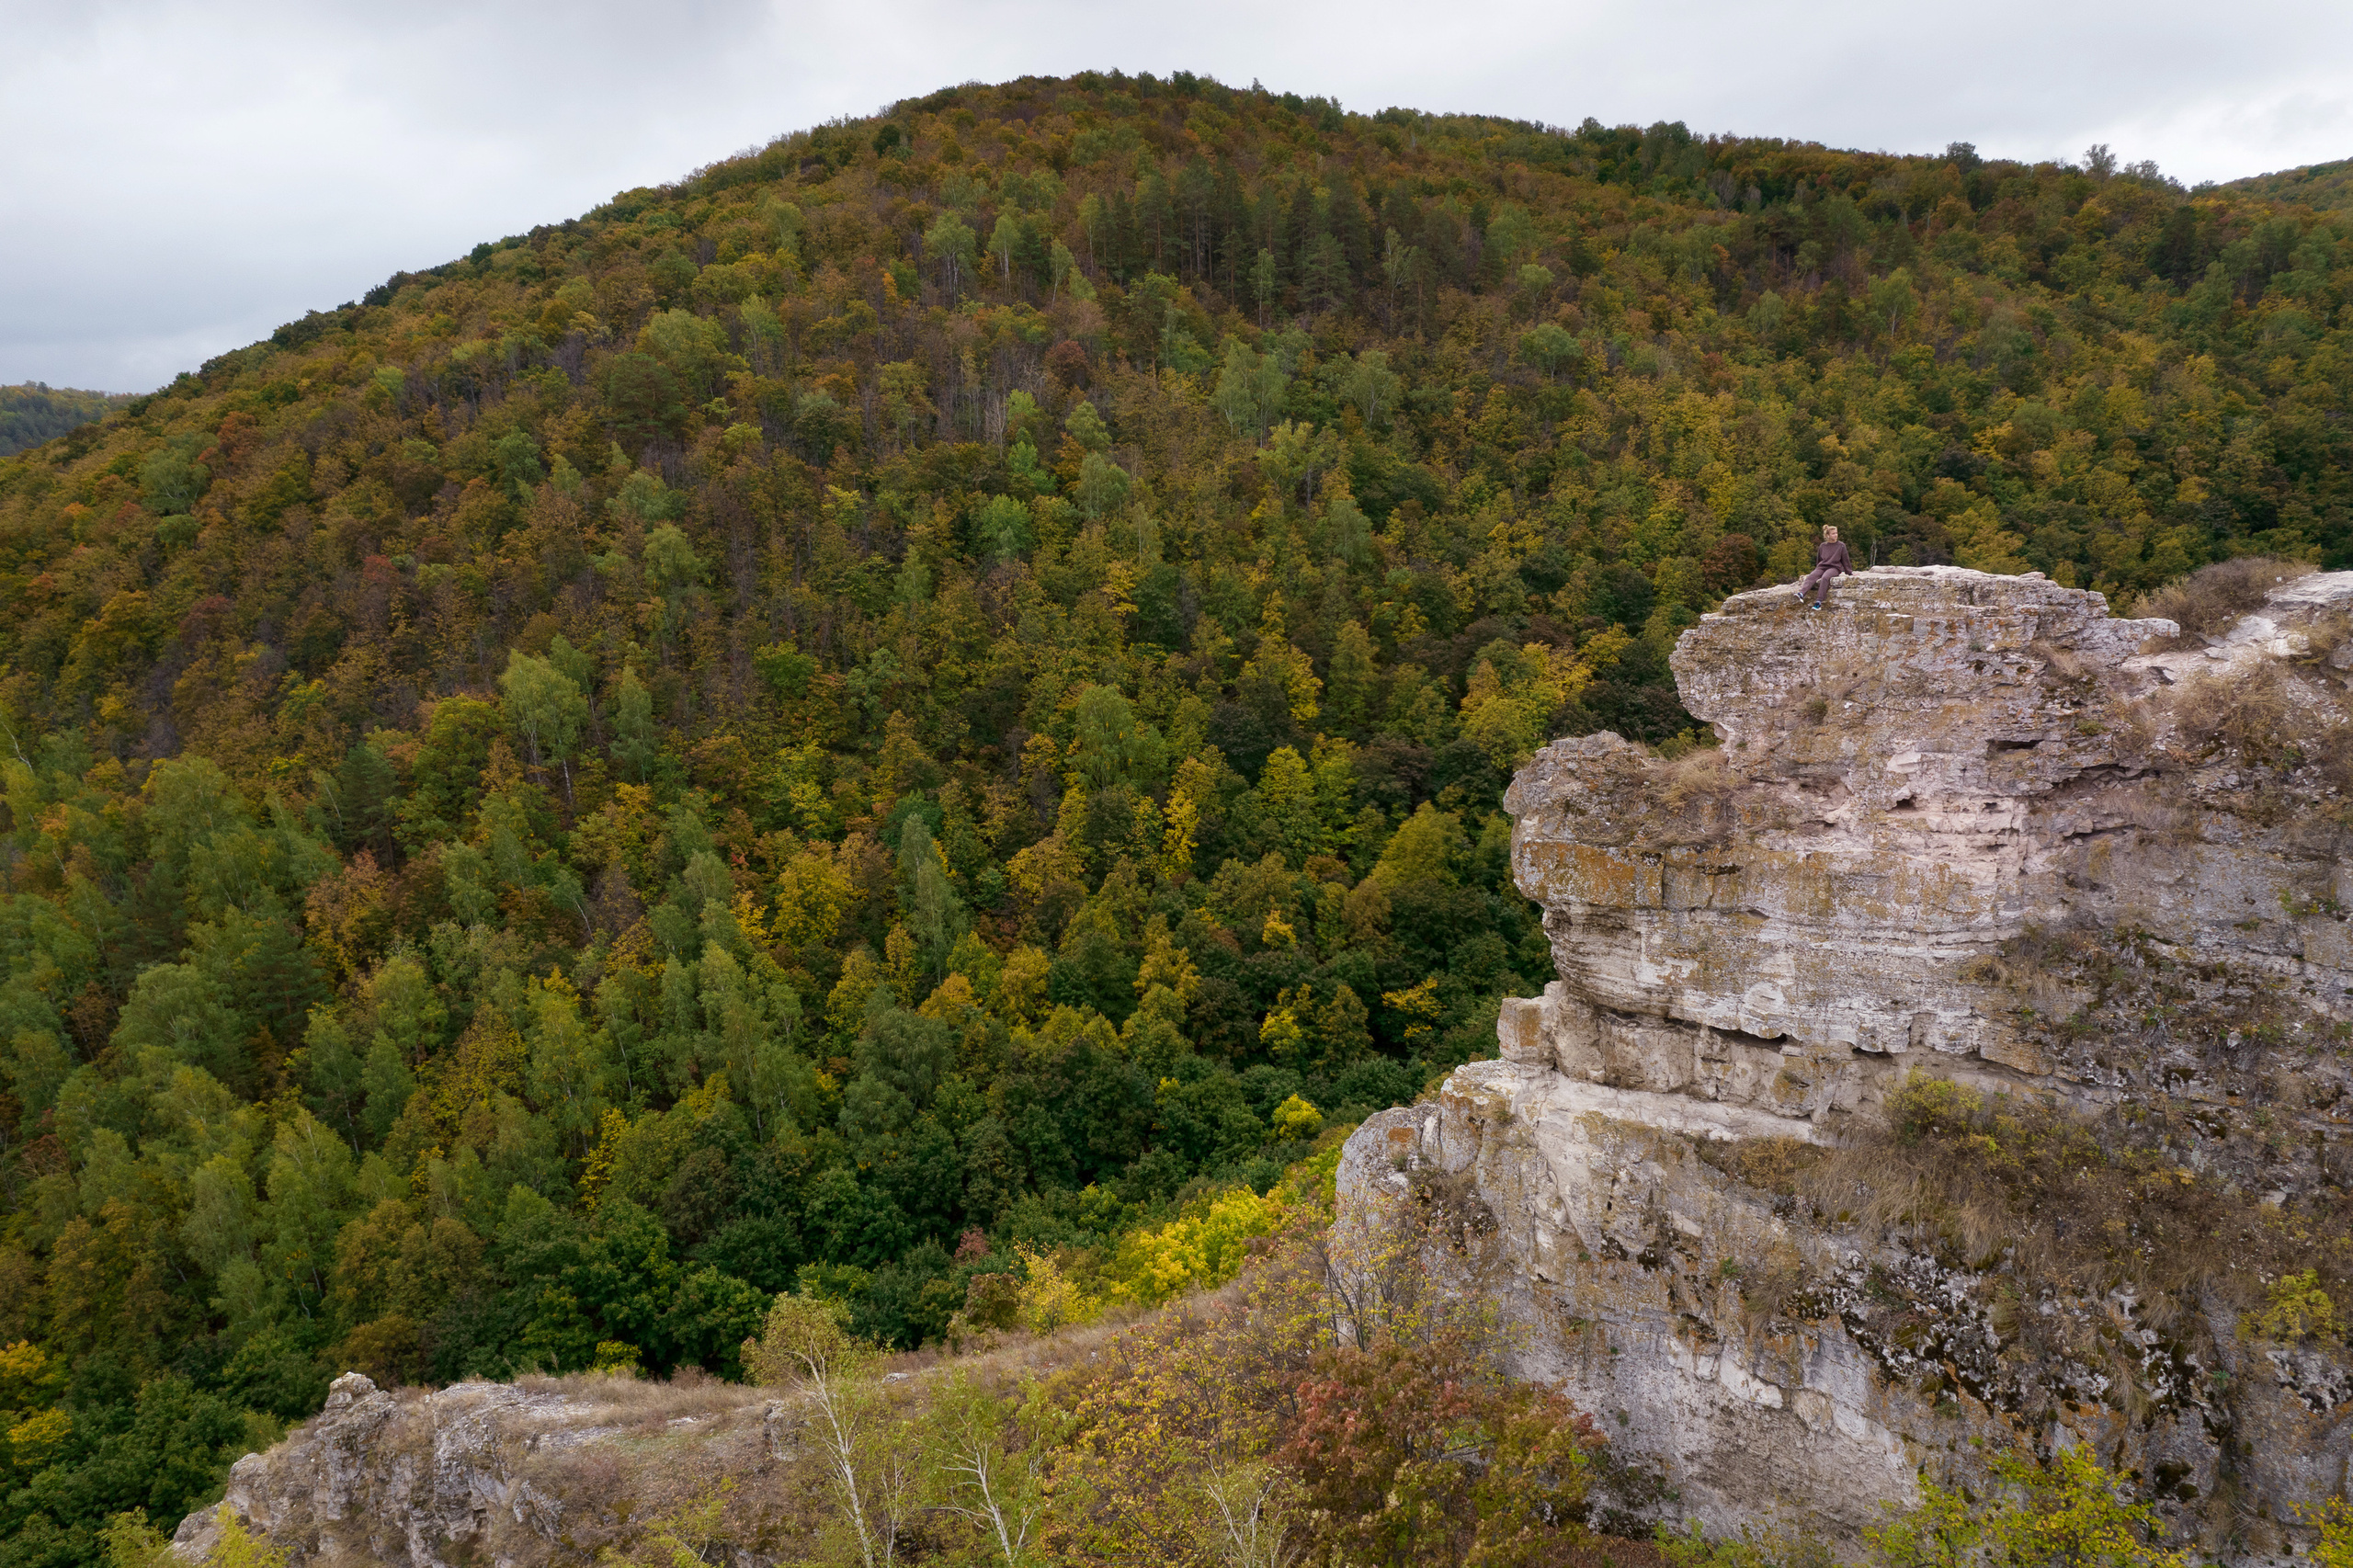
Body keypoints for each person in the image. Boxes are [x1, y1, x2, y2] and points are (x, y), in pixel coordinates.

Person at [1797, 525, 1852, 608]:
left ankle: (1819, 602)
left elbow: (1845, 560)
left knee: (1825, 578)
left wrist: (1849, 572)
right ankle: (1801, 594)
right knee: (1811, 576)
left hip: (1835, 568)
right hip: (1822, 566)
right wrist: (1817, 570)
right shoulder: (1823, 546)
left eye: (1836, 533)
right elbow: (1819, 559)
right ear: (1827, 535)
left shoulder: (1841, 545)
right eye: (1833, 533)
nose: (1835, 535)